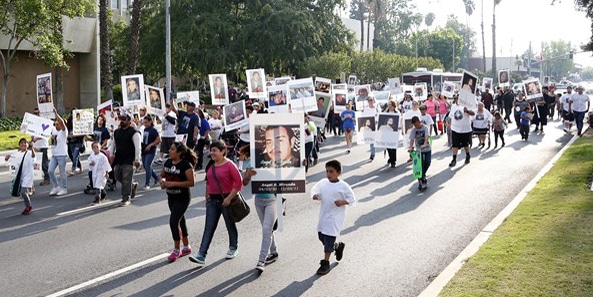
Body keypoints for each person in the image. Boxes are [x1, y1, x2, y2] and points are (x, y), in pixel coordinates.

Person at [189, 140, 242, 265]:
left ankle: (233, 247)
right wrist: (207, 196)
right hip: (213, 201)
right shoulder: (211, 165)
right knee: (209, 228)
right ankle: (201, 254)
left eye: (214, 150)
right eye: (211, 150)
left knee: (230, 225)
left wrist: (229, 198)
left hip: (226, 201)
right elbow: (208, 181)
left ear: (223, 151)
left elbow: (238, 182)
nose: (212, 153)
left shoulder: (229, 165)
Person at [239, 145, 280, 272]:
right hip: (258, 201)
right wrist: (248, 175)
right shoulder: (251, 163)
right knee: (267, 230)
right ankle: (273, 252)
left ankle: (261, 260)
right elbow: (245, 182)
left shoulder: (274, 162)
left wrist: (301, 164)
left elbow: (288, 175)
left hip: (272, 200)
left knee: (267, 229)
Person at [311, 160, 356, 275]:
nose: (328, 174)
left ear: (339, 172)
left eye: (331, 171)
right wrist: (315, 196)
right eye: (327, 171)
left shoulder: (344, 186)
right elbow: (315, 190)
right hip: (324, 215)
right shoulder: (323, 183)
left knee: (328, 239)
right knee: (322, 237)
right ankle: (337, 246)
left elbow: (352, 199)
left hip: (335, 218)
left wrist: (343, 202)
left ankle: (325, 263)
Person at [161, 142, 196, 262]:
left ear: (179, 152)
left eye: (172, 149)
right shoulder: (168, 162)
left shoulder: (186, 165)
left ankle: (177, 249)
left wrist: (172, 183)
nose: (169, 151)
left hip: (183, 198)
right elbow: (162, 175)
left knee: (173, 221)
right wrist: (162, 182)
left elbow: (191, 182)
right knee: (181, 221)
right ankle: (187, 246)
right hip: (171, 197)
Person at [109, 114, 141, 206]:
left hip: (129, 159)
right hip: (118, 158)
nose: (121, 122)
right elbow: (113, 143)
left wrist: (137, 159)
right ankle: (132, 185)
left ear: (129, 121)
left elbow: (138, 147)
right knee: (116, 175)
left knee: (126, 178)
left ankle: (126, 198)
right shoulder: (117, 132)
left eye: (124, 120)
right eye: (120, 120)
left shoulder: (134, 133)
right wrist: (111, 154)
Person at [5, 138, 36, 215]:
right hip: (20, 176)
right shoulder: (16, 154)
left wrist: (32, 149)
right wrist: (7, 159)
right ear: (19, 145)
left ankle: (28, 206)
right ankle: (28, 201)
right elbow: (10, 164)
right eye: (21, 143)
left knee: (23, 192)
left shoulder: (29, 153)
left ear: (27, 145)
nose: (23, 144)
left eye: (25, 143)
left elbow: (33, 157)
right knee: (23, 192)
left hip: (28, 175)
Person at [449, 98, 475, 167]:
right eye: (456, 98)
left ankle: (468, 155)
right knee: (455, 145)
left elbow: (473, 113)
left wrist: (467, 111)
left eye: (459, 98)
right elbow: (451, 116)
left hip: (465, 129)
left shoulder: (467, 105)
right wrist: (450, 126)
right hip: (455, 129)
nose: (458, 100)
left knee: (465, 144)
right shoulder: (453, 106)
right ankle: (454, 159)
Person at [49, 108, 69, 196]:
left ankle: (64, 188)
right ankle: (56, 186)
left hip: (62, 155)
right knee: (50, 171)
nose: (56, 125)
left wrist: (56, 114)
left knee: (62, 172)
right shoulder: (53, 130)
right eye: (55, 124)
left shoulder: (64, 132)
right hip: (54, 155)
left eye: (58, 124)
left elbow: (62, 122)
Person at [408, 116, 431, 191]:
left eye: (417, 124)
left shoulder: (425, 127)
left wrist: (425, 144)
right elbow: (411, 139)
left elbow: (427, 136)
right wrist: (411, 147)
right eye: (414, 125)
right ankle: (421, 180)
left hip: (426, 148)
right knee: (419, 166)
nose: (416, 126)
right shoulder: (414, 130)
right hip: (418, 150)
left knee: (427, 162)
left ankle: (423, 176)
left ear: (419, 121)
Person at [141, 115, 161, 190]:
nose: (145, 124)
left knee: (147, 165)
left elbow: (158, 140)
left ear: (150, 122)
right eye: (144, 123)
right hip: (144, 150)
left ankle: (147, 183)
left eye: (146, 122)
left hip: (151, 150)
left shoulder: (153, 130)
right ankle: (157, 178)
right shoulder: (145, 130)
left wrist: (151, 145)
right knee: (146, 166)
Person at [31, 108, 50, 186]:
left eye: (37, 113)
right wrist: (31, 141)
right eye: (34, 113)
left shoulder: (44, 122)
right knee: (36, 163)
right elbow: (32, 135)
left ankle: (47, 178)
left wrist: (36, 139)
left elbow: (45, 134)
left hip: (43, 146)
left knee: (44, 164)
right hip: (36, 146)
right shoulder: (34, 124)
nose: (36, 115)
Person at [382, 100, 400, 167]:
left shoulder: (397, 112)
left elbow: (399, 121)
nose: (389, 106)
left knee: (393, 146)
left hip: (394, 132)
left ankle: (393, 161)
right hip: (387, 132)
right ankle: (391, 158)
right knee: (388, 146)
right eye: (388, 104)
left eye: (390, 104)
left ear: (393, 105)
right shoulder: (386, 112)